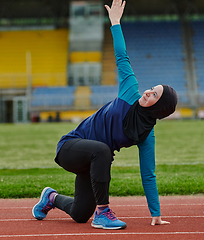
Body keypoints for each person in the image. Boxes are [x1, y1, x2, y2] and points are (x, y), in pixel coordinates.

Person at [32, 0, 177, 230]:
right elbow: (122, 56)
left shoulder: (146, 135)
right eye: (152, 88)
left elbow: (148, 175)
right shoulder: (131, 90)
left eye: (154, 95)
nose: (148, 91)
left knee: (80, 214)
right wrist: (115, 23)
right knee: (103, 150)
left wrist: (156, 213)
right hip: (70, 147)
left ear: (158, 109)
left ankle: (50, 198)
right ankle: (103, 213)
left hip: (93, 161)